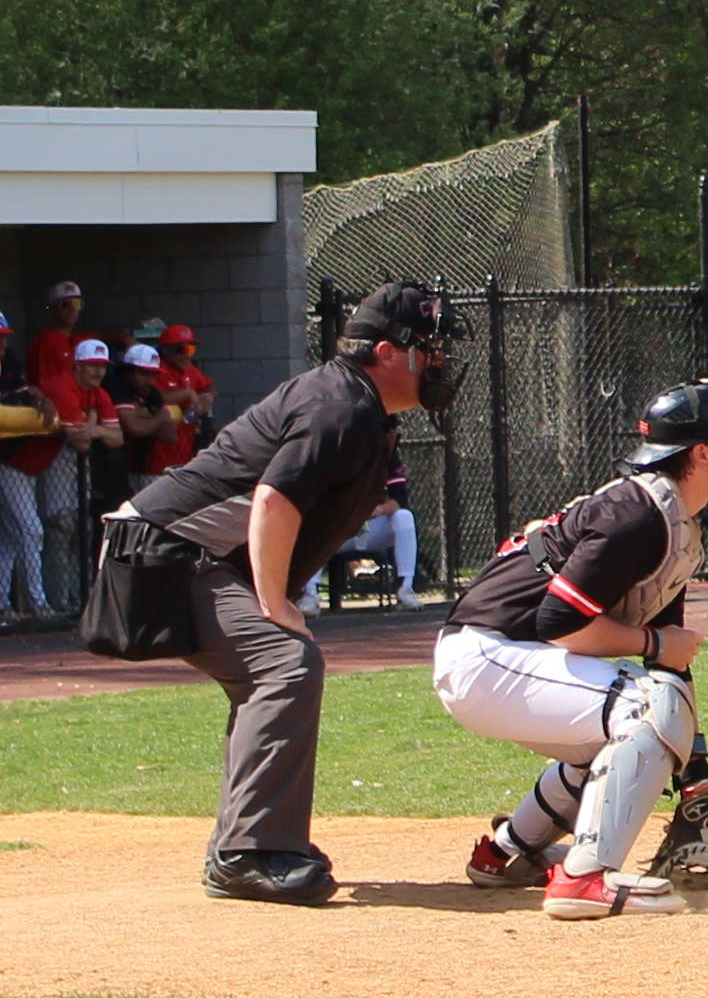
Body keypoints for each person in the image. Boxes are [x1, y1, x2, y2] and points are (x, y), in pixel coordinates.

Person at [117, 281, 470, 906]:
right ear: (387, 353)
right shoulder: (342, 407)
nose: (437, 360)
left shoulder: (360, 405)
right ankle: (248, 853)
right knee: (284, 659)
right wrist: (276, 602)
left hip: (183, 554)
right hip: (163, 555)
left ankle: (243, 844)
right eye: (428, 348)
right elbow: (273, 500)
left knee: (270, 667)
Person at [433, 378, 708, 919]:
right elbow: (561, 622)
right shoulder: (636, 515)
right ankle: (585, 879)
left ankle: (505, 854)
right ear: (703, 452)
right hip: (487, 657)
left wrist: (698, 778)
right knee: (645, 707)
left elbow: (667, 666)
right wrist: (657, 642)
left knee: (642, 709)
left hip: (508, 660)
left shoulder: (673, 524)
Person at [0, 327, 97, 617]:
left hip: (17, 464)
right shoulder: (65, 386)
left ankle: (4, 604)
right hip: (10, 463)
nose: (3, 344)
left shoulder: (10, 361)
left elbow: (27, 392)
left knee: (9, 537)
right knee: (31, 530)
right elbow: (80, 440)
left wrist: (40, 399)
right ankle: (37, 603)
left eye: (4, 337)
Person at [295, 449, 424, 613]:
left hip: (373, 528)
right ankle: (310, 595)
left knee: (404, 516)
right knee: (311, 522)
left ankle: (406, 589)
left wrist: (376, 510)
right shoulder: (328, 449)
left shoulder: (386, 451)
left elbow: (400, 498)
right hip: (336, 532)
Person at [104, 343, 179, 495]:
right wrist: (157, 418)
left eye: (153, 375)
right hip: (96, 457)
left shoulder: (151, 391)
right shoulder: (115, 385)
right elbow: (135, 427)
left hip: (127, 462)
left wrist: (144, 416)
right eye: (144, 374)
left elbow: (171, 436)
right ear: (128, 372)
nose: (150, 380)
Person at [149, 324, 216, 474]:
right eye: (181, 350)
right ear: (166, 350)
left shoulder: (189, 369)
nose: (188, 355)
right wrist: (186, 394)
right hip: (154, 457)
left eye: (191, 349)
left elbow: (209, 385)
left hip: (184, 452)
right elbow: (150, 398)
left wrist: (208, 396)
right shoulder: (155, 368)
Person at [28, 281, 82, 388]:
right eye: (66, 304)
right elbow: (48, 388)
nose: (73, 309)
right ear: (52, 308)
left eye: (77, 304)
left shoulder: (75, 339)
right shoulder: (46, 341)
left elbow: (101, 335)